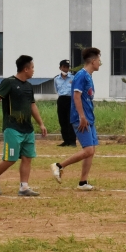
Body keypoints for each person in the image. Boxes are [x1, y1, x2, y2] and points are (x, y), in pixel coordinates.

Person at [0, 55, 48, 196]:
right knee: (10, 158)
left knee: (27, 157)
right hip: (12, 128)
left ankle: (24, 187)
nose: (34, 70)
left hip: (27, 129)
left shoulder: (29, 86)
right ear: (26, 69)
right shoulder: (8, 82)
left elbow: (32, 105)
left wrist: (41, 123)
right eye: (32, 67)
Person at [51, 47, 100, 190]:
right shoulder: (81, 75)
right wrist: (82, 116)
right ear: (92, 61)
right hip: (81, 118)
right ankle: (59, 166)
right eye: (98, 60)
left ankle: (83, 182)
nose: (99, 63)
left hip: (89, 118)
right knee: (88, 150)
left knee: (91, 150)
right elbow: (76, 96)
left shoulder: (88, 76)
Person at [53, 60, 76, 147]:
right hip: (61, 100)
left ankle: (72, 141)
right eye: (64, 67)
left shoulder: (73, 78)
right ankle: (66, 140)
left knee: (70, 121)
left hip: (70, 99)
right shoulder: (56, 79)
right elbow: (56, 90)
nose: (65, 69)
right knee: (62, 121)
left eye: (67, 67)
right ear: (60, 68)